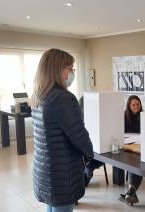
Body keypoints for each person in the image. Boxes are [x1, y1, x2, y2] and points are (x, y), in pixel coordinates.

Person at [31, 48, 94, 212]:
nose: (72, 73)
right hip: (62, 172)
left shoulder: (39, 96)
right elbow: (78, 134)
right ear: (58, 70)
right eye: (70, 69)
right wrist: (89, 154)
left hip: (45, 167)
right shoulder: (63, 98)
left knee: (52, 206)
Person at [119, 95, 143, 206]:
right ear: (129, 106)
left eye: (137, 104)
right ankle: (131, 194)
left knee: (138, 164)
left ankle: (130, 193)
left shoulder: (144, 116)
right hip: (127, 147)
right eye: (133, 105)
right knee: (134, 164)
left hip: (140, 147)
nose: (136, 107)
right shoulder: (123, 116)